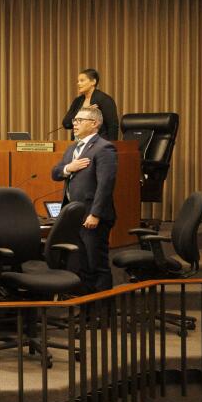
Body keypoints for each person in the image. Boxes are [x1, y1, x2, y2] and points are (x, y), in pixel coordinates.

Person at [52, 105, 117, 290]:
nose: (75, 124)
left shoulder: (104, 148)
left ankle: (103, 311)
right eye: (74, 120)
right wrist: (68, 168)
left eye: (80, 120)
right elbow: (55, 173)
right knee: (82, 265)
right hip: (73, 216)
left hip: (92, 216)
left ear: (94, 124)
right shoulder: (73, 148)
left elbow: (106, 184)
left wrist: (95, 214)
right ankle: (87, 309)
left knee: (96, 264)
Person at [61, 68, 119, 141]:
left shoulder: (104, 99)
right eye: (78, 81)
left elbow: (112, 125)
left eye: (82, 80)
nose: (78, 83)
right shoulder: (78, 101)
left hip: (98, 143)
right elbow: (66, 123)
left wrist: (112, 146)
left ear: (93, 82)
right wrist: (83, 112)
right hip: (77, 143)